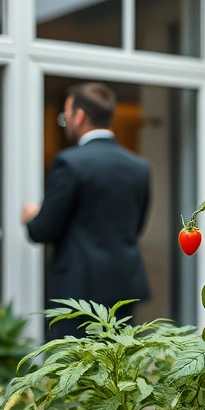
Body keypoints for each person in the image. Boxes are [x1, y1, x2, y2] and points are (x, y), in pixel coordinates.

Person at [22, 83, 151, 337]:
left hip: (78, 296)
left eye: (65, 116)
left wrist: (32, 216)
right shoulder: (139, 166)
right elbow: (136, 226)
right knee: (119, 369)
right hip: (123, 289)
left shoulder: (69, 163)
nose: (66, 121)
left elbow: (43, 230)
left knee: (76, 371)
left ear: (79, 116)